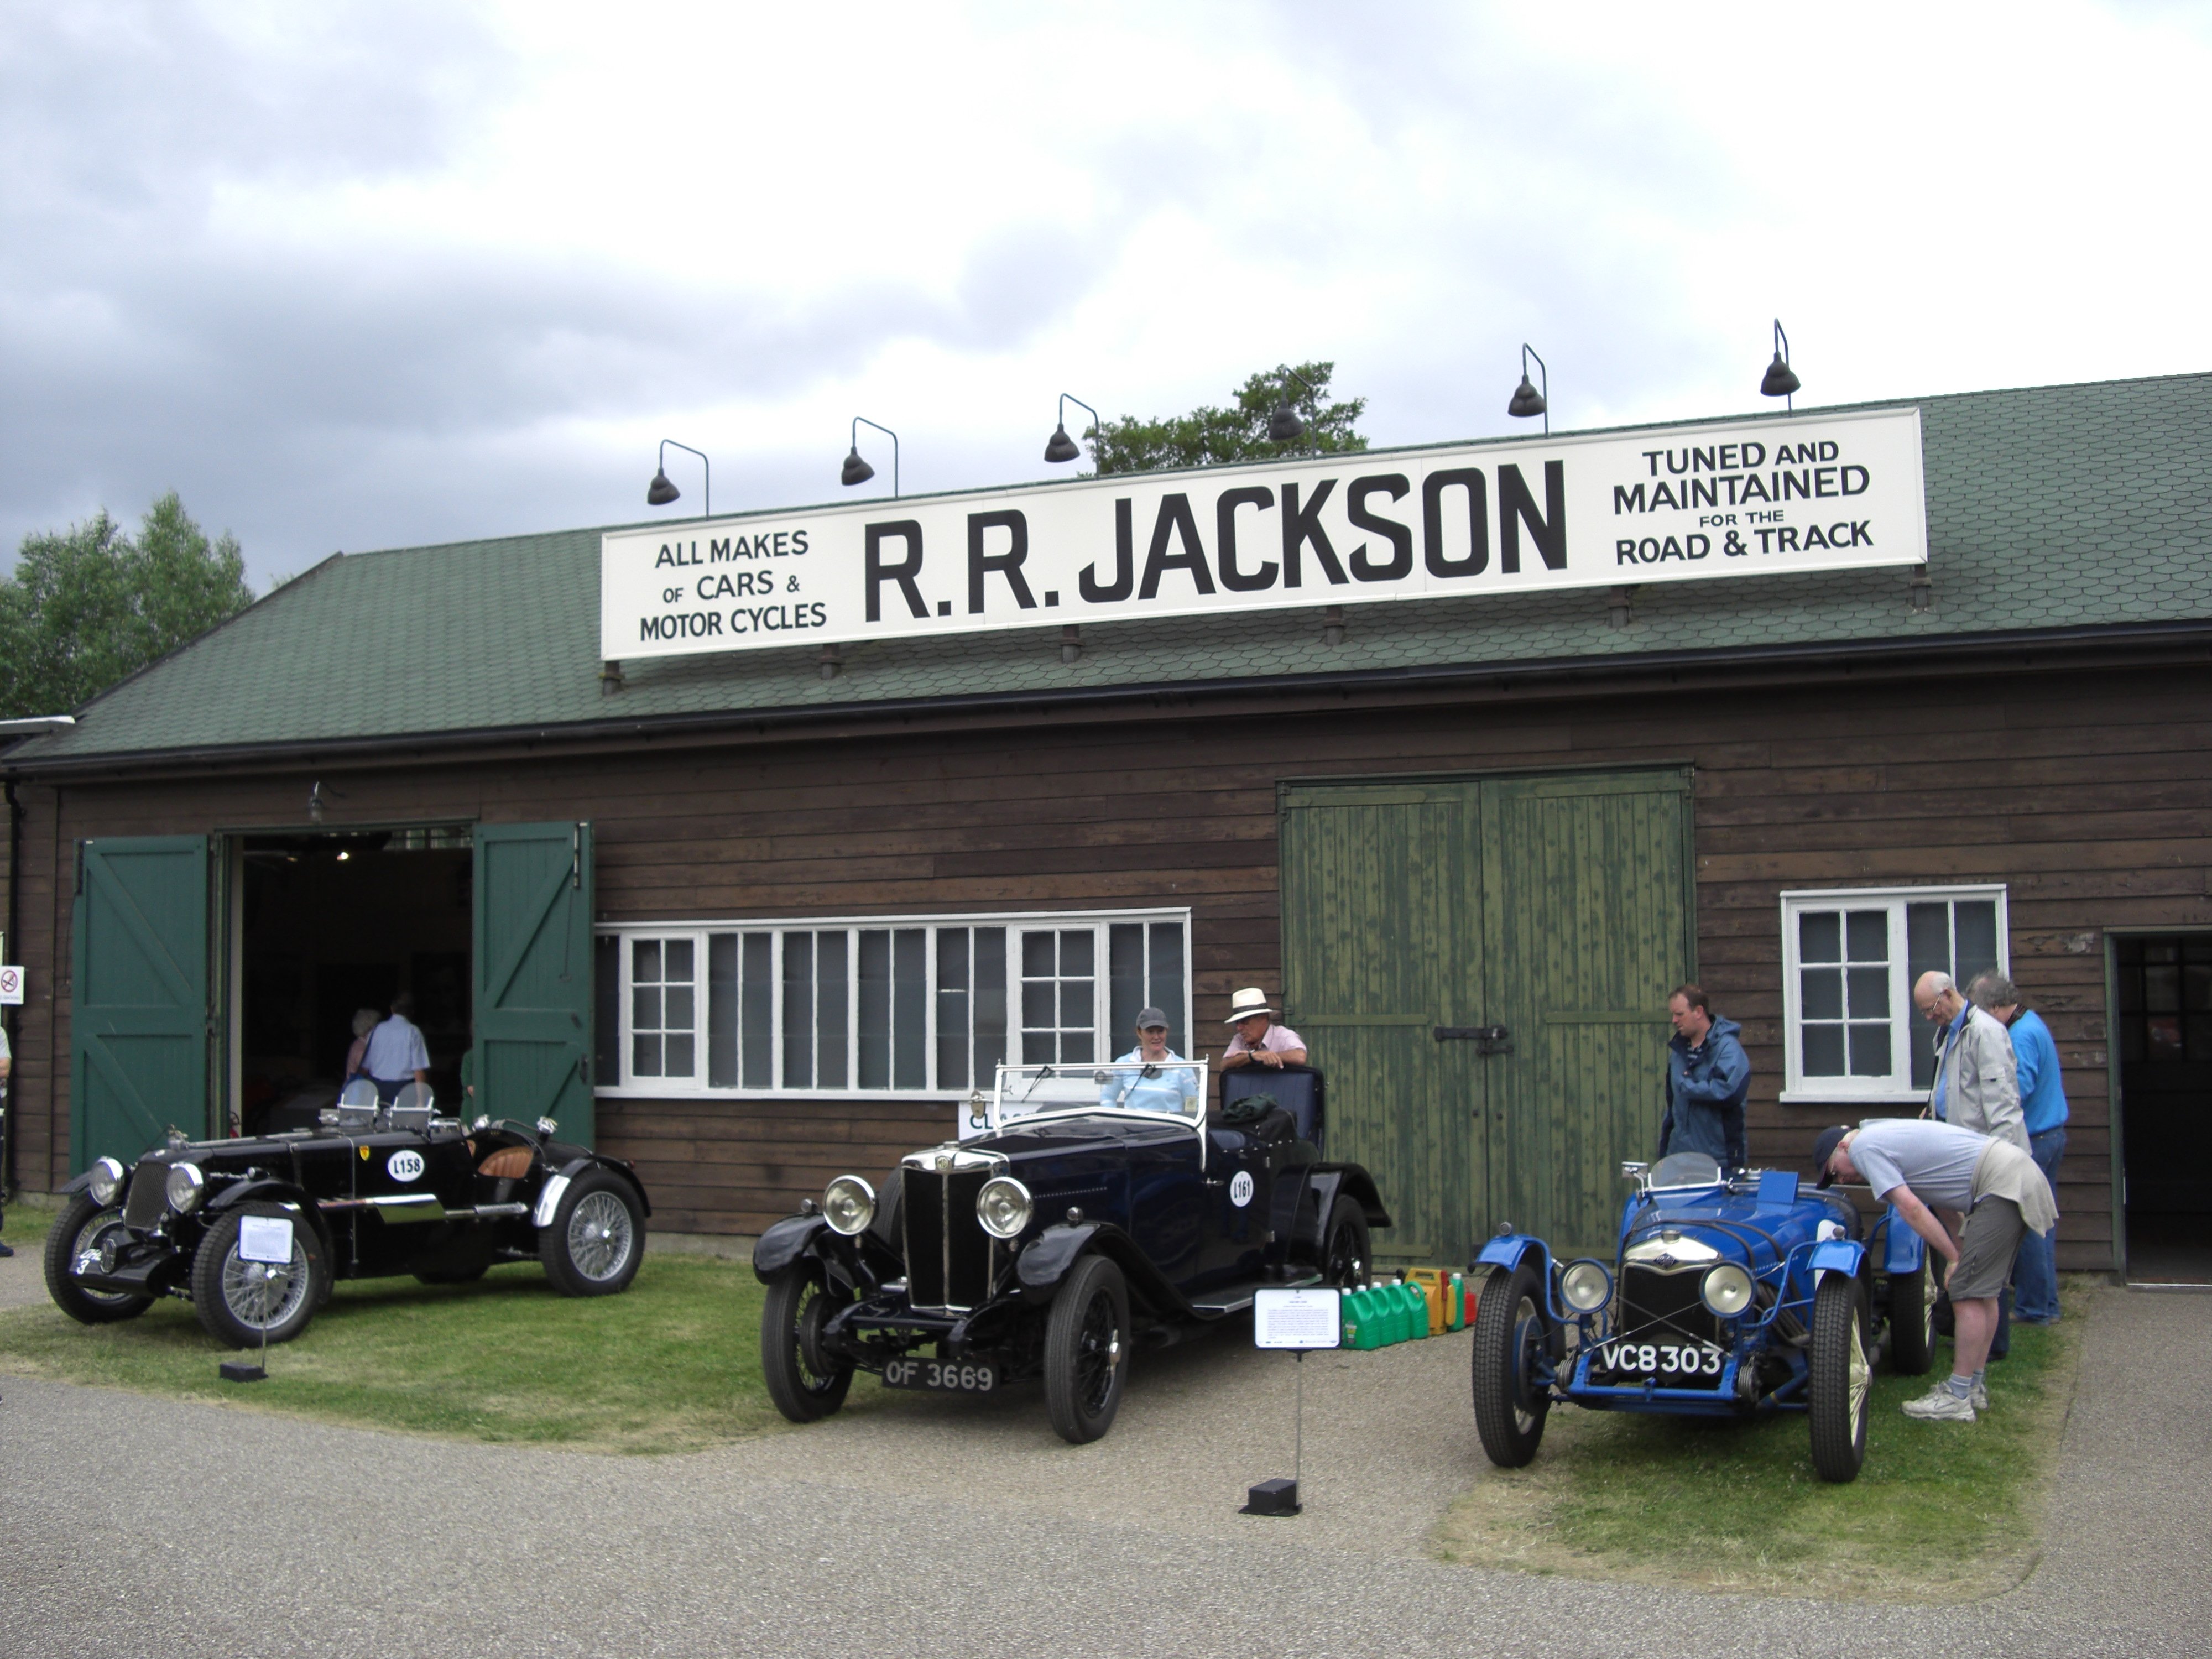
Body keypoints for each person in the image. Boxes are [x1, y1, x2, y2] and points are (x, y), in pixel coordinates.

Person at [1814, 1118, 2056, 1422]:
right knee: (1983, 1293)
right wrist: (1960, 1254)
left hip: (2001, 1183)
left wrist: (1954, 1259)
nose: (1841, 1179)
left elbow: (1911, 1209)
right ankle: (1973, 1387)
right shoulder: (1888, 1143)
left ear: (1843, 1146)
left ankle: (1957, 1397)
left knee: (1967, 1293)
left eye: (1834, 1170)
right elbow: (1946, 1207)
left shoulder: (1863, 1147)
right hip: (2014, 1174)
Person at [1970, 971, 2069, 1324]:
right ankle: (2045, 1304)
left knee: (2027, 1225)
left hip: (2036, 1140)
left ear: (1996, 1008)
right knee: (2041, 1223)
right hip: (2050, 1136)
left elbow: (2017, 1090)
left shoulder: (2021, 1036)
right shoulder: (2030, 1022)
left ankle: (2035, 1308)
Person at [1914, 971, 2027, 1152]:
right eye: (1923, 1012)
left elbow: (2003, 1104)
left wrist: (2002, 1156)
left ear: (1948, 994)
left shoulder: (1986, 1031)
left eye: (1931, 1009)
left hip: (1982, 1149)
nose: (1928, 1017)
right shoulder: (1945, 1032)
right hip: (1956, 1144)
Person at [1657, 983, 1749, 1170]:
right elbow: (1673, 1104)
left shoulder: (1728, 1048)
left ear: (1698, 1012)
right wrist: (1665, 1149)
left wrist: (1689, 1087)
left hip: (1719, 1160)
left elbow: (1731, 1092)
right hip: (1679, 1157)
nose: (1674, 1020)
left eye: (1680, 1014)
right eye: (1673, 1015)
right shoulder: (1678, 1053)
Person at [1101, 1008, 1200, 1115]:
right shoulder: (1123, 1064)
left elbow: (1194, 1103)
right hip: (1133, 1125)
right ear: (1139, 1033)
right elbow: (1107, 1097)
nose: (1156, 1037)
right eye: (1150, 1032)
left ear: (1167, 1031)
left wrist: (1186, 1120)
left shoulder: (1183, 1068)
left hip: (1170, 1126)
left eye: (1160, 1031)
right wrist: (1114, 1120)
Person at [360, 992, 431, 1105]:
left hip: (377, 1090)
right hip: (404, 1090)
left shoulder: (377, 1030)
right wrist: (421, 1101)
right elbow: (418, 1070)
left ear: (392, 1009)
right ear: (412, 1012)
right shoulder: (413, 1032)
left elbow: (365, 1067)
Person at [1220, 987, 1306, 1071]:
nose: (1239, 1028)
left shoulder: (1283, 1035)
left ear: (1263, 1018)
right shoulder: (1239, 1039)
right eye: (1237, 1022)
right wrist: (1253, 1056)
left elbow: (1300, 1056)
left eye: (1244, 1021)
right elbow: (1224, 1064)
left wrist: (1268, 1056)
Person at [342, 1008, 379, 1082]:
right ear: (369, 1028)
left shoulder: (358, 1043)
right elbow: (366, 1073)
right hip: (357, 1087)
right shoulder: (361, 1049)